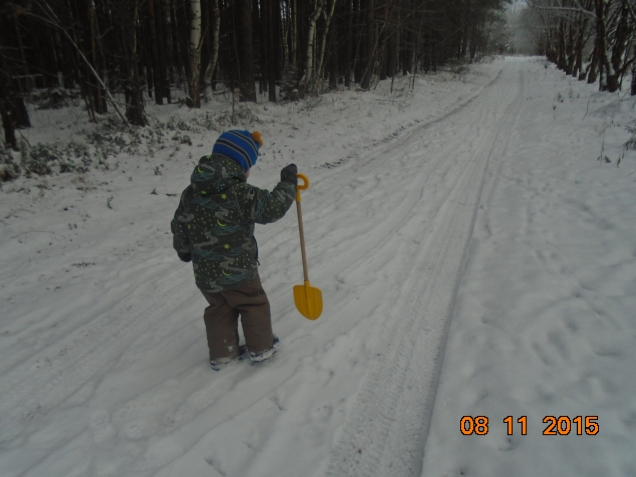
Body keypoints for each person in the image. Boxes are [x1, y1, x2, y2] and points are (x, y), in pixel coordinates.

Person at [171, 130, 297, 370]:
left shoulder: (191, 193)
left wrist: (184, 250)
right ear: (240, 165)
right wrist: (288, 184)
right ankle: (261, 348)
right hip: (239, 271)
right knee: (252, 304)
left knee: (218, 308)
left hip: (205, 272)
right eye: (249, 166)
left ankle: (223, 353)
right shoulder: (240, 193)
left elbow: (180, 224)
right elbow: (271, 207)